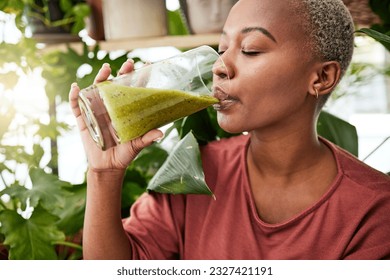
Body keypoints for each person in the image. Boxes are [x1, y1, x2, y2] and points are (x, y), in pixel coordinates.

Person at [69, 0, 390, 259]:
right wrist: (104, 174)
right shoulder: (194, 171)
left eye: (250, 49)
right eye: (222, 48)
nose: (220, 66)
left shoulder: (373, 210)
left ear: (321, 78)